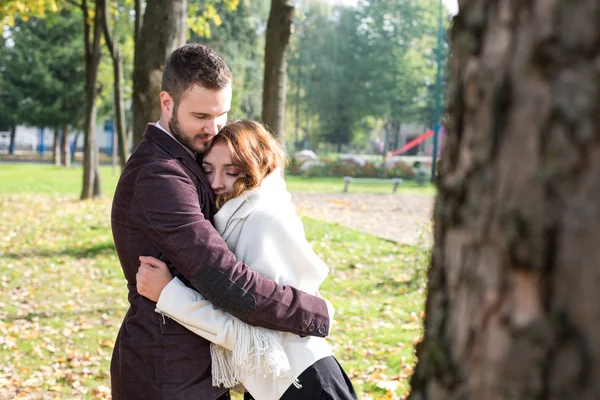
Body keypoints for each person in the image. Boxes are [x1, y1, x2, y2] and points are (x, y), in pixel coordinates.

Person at [110, 44, 333, 400]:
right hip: (168, 376)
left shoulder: (185, 159)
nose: (213, 129)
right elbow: (223, 277)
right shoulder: (160, 176)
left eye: (222, 115)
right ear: (167, 103)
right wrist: (313, 311)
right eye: (200, 116)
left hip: (194, 369)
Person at [136, 120, 357, 400]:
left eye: (231, 172)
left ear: (256, 169)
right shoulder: (233, 218)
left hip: (304, 384)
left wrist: (170, 296)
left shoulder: (263, 221)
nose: (216, 183)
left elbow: (256, 333)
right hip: (274, 385)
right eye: (208, 170)